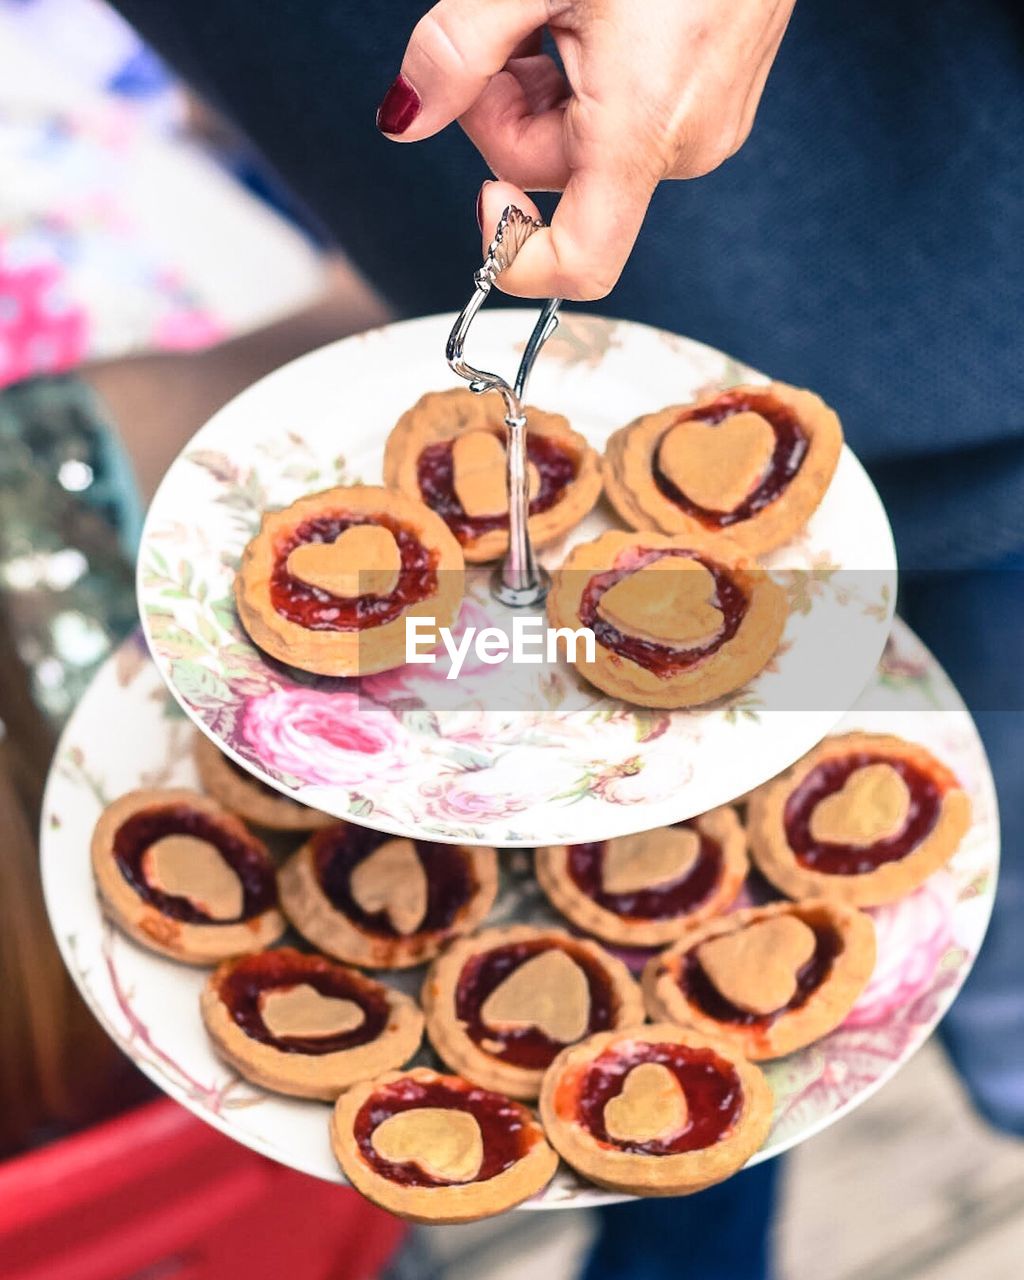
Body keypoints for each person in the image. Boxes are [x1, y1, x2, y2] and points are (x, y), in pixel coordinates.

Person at [9, 1, 1024, 1274]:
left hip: (971, 309)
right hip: (497, 242)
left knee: (995, 977)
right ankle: (689, 1214)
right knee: (653, 968)